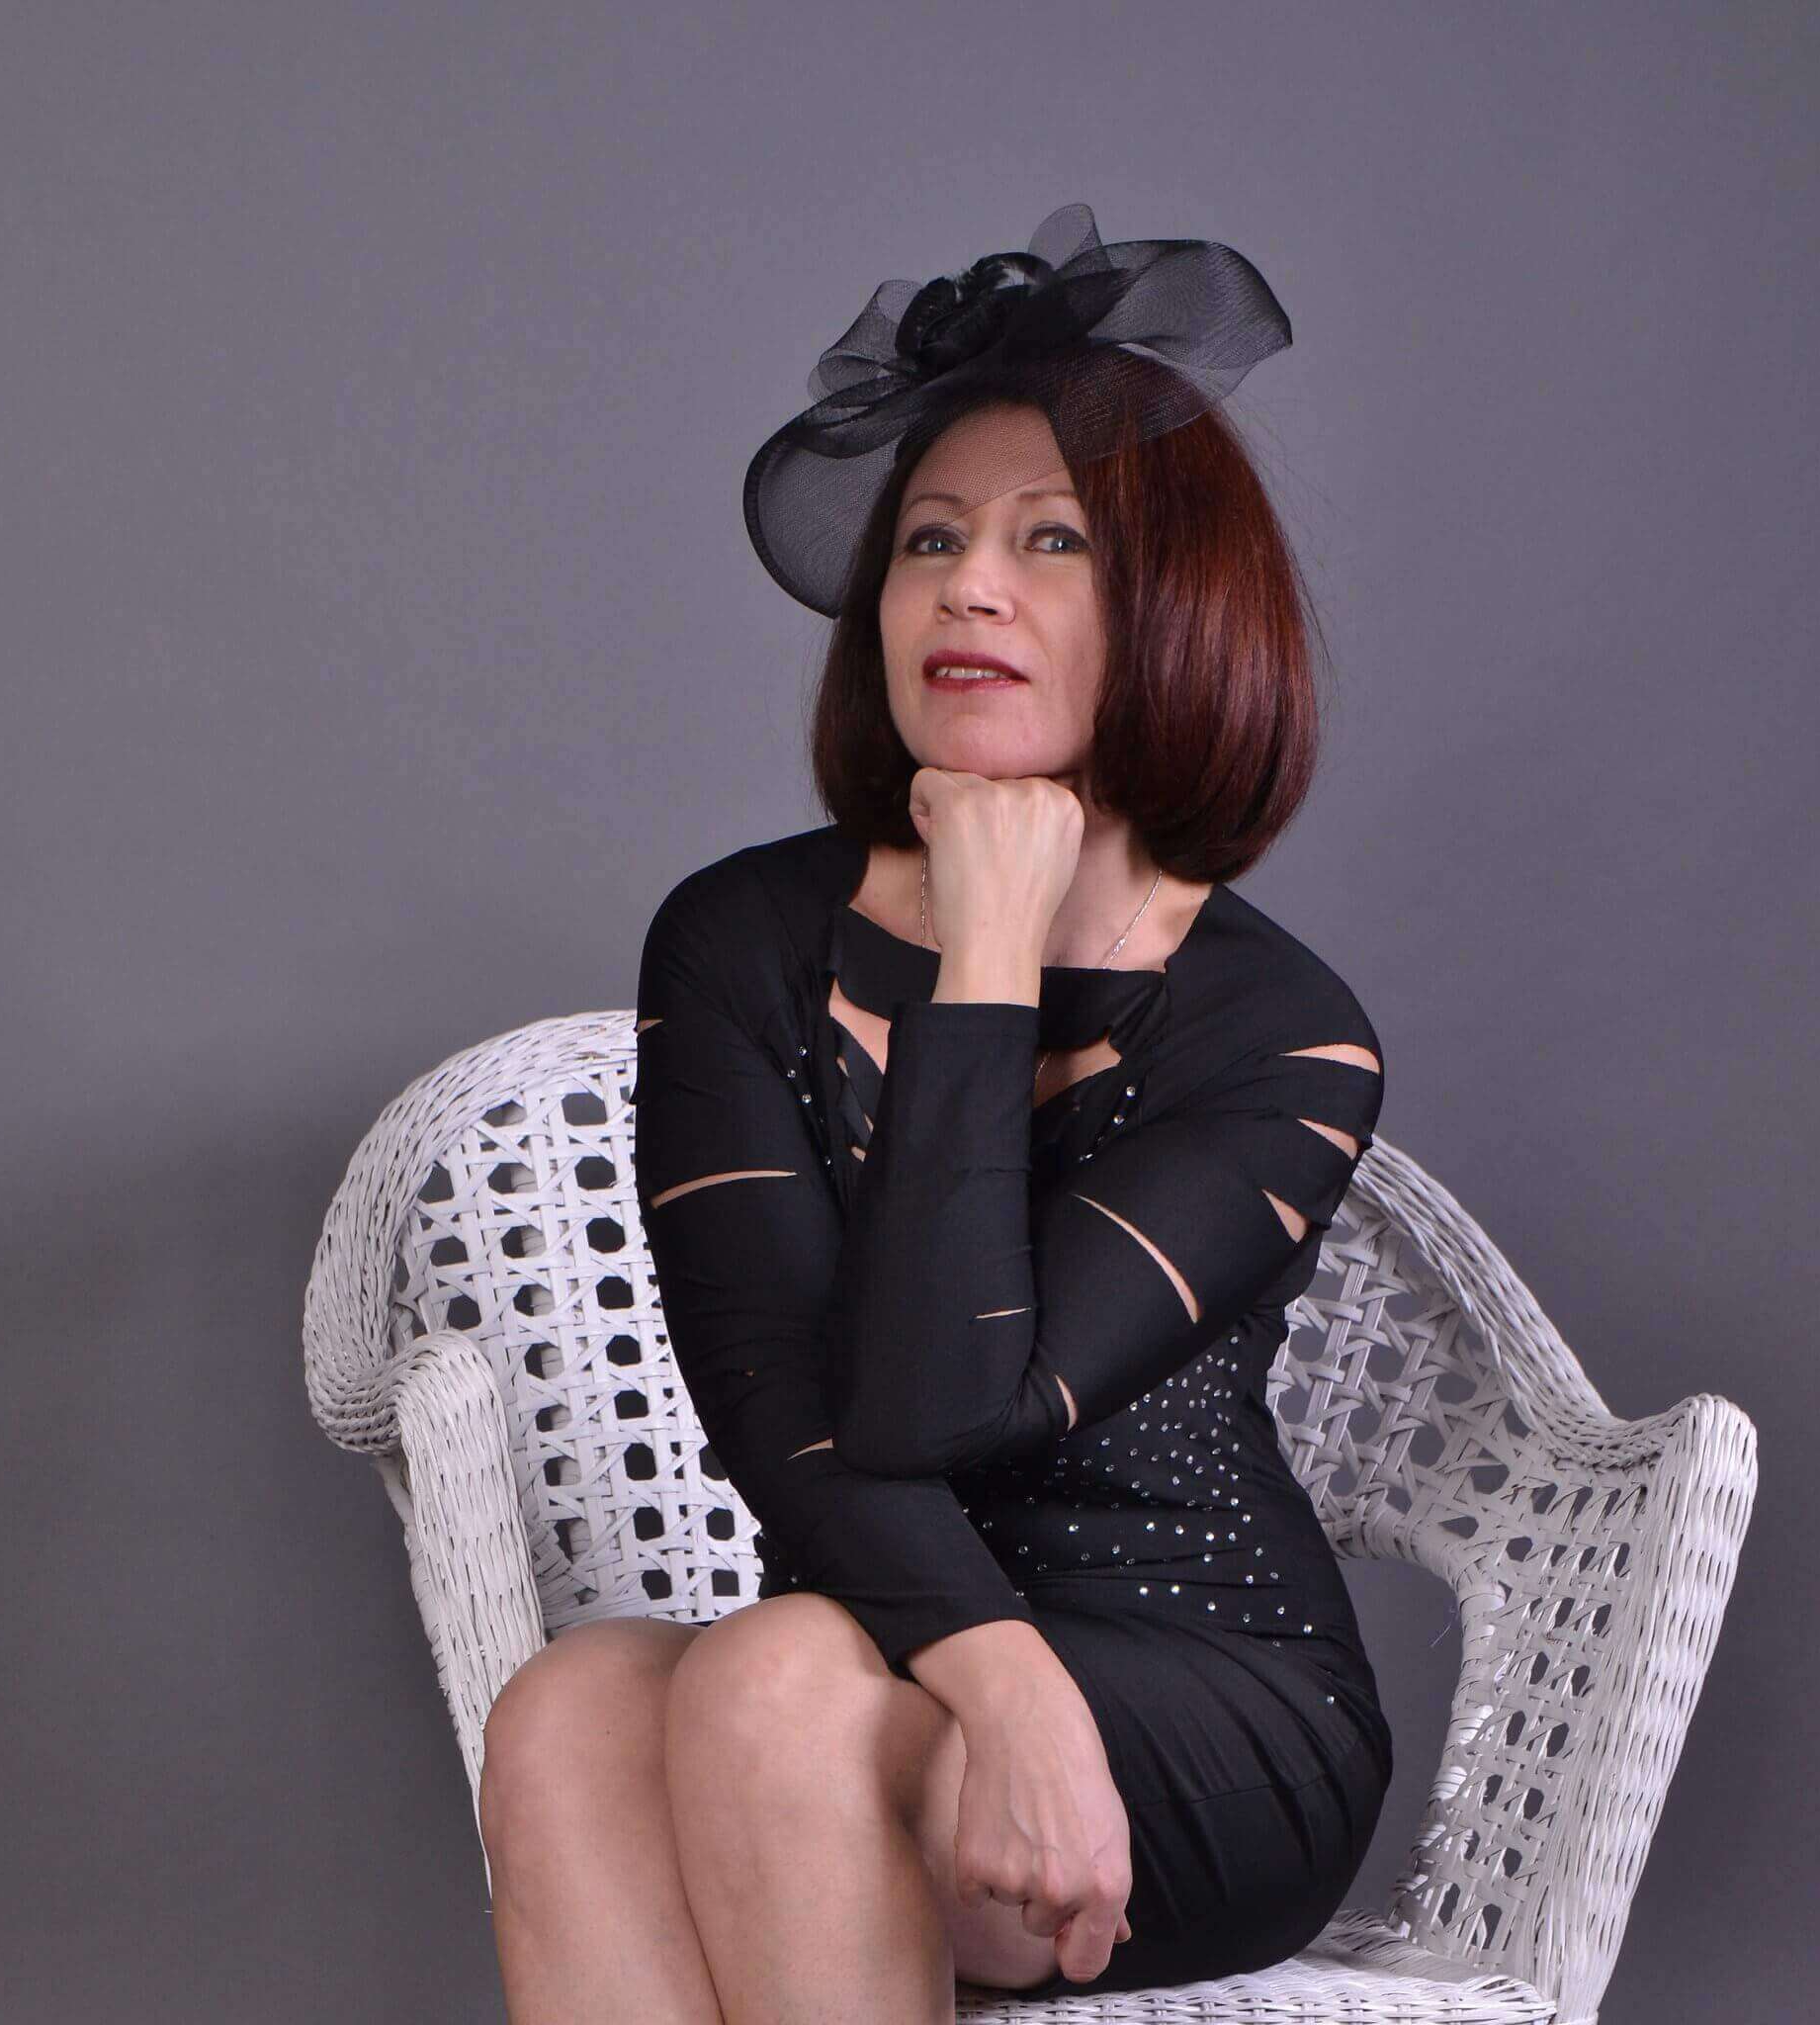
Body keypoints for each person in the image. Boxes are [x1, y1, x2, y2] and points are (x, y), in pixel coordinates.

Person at [479, 205, 1391, 2022]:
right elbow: (779, 1407)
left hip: (1207, 1691)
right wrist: (1000, 1678)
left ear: (1176, 608)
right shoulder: (741, 937)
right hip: (885, 1640)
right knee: (573, 1705)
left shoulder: (1281, 1033)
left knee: (771, 1681)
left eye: (1051, 539)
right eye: (930, 538)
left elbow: (942, 1399)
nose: (970, 586)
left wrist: (984, 957)